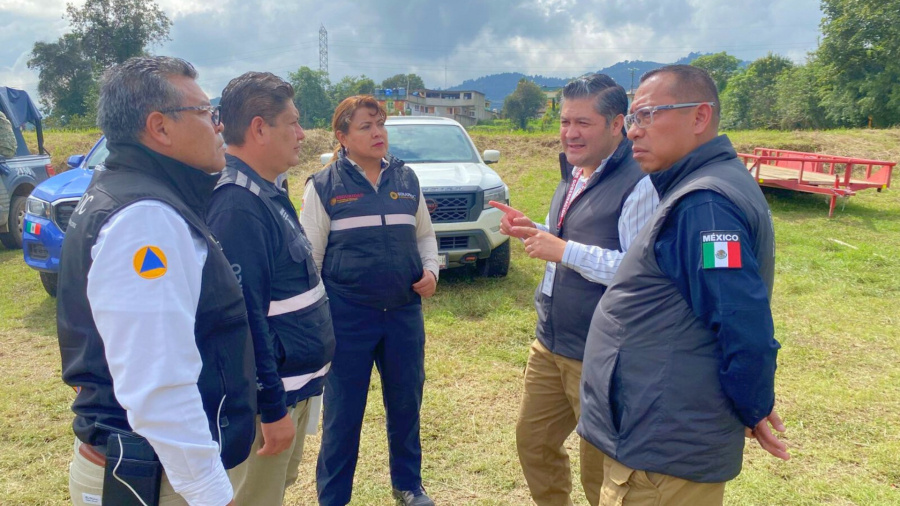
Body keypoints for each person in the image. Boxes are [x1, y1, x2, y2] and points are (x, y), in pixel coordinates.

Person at [577, 65, 788, 506]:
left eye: (649, 115)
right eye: (633, 119)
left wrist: (752, 401)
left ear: (699, 117)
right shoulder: (698, 190)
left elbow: (741, 321)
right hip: (660, 433)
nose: (634, 131)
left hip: (661, 450)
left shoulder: (705, 205)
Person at [56, 56, 256, 506]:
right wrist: (209, 492)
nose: (219, 126)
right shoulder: (145, 218)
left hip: (153, 468)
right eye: (207, 113)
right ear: (160, 128)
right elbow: (158, 382)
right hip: (159, 478)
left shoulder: (128, 192)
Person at [490, 74, 657, 506]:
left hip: (601, 352)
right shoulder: (576, 172)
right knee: (533, 443)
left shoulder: (638, 184)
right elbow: (570, 240)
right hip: (551, 343)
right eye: (565, 121)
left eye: (583, 123)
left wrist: (564, 250)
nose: (569, 133)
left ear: (617, 124)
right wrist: (535, 231)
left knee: (598, 471)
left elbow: (638, 271)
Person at [300, 95, 439, 506]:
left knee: (405, 404)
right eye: (366, 126)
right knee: (343, 415)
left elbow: (425, 236)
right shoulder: (323, 186)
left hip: (402, 314)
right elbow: (312, 259)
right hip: (348, 319)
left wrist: (431, 270)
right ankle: (333, 496)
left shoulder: (406, 180)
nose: (378, 133)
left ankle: (409, 486)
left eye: (381, 124)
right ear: (342, 137)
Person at [207, 71, 335, 506]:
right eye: (293, 123)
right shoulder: (238, 206)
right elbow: (244, 320)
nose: (302, 135)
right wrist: (272, 407)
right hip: (270, 403)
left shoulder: (267, 192)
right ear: (260, 128)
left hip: (293, 390)